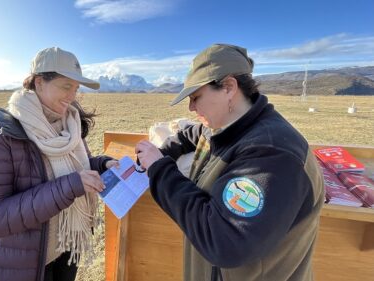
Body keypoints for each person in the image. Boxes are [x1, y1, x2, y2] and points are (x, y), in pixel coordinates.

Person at [135, 44, 324, 281]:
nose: (191, 107)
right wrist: (165, 150)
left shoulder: (272, 154)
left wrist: (159, 169)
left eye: (196, 97)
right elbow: (193, 134)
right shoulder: (226, 126)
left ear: (228, 87)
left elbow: (223, 240)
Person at [0, 47, 117, 281]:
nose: (72, 96)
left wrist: (101, 165)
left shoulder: (70, 127)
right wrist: (68, 187)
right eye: (66, 86)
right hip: (22, 266)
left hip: (66, 250)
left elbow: (74, 171)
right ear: (40, 82)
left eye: (76, 89)